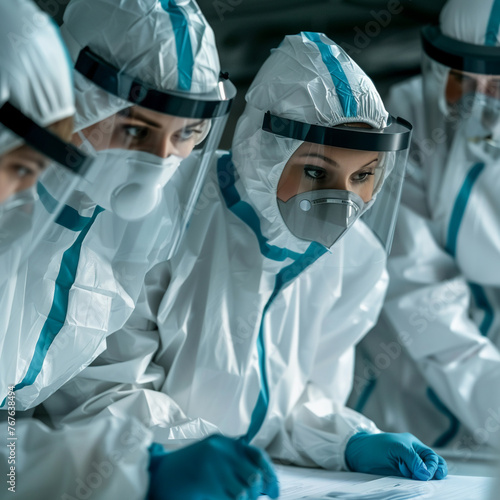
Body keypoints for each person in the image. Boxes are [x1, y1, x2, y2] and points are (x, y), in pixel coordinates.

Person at [43, 32, 448, 482]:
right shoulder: (162, 214)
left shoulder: (356, 261)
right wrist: (176, 456)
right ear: (266, 151)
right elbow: (101, 387)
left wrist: (345, 438)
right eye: (317, 171)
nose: (344, 200)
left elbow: (292, 404)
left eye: (364, 175)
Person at [0, 0, 235, 412]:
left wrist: (168, 446)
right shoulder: (11, 195)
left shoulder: (135, 225)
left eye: (186, 134)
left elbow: (97, 388)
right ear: (75, 97)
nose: (161, 160)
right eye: (133, 129)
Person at [349, 0, 500, 456]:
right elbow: (418, 292)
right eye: (459, 77)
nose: (473, 99)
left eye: (495, 83)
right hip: (412, 379)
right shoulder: (410, 116)